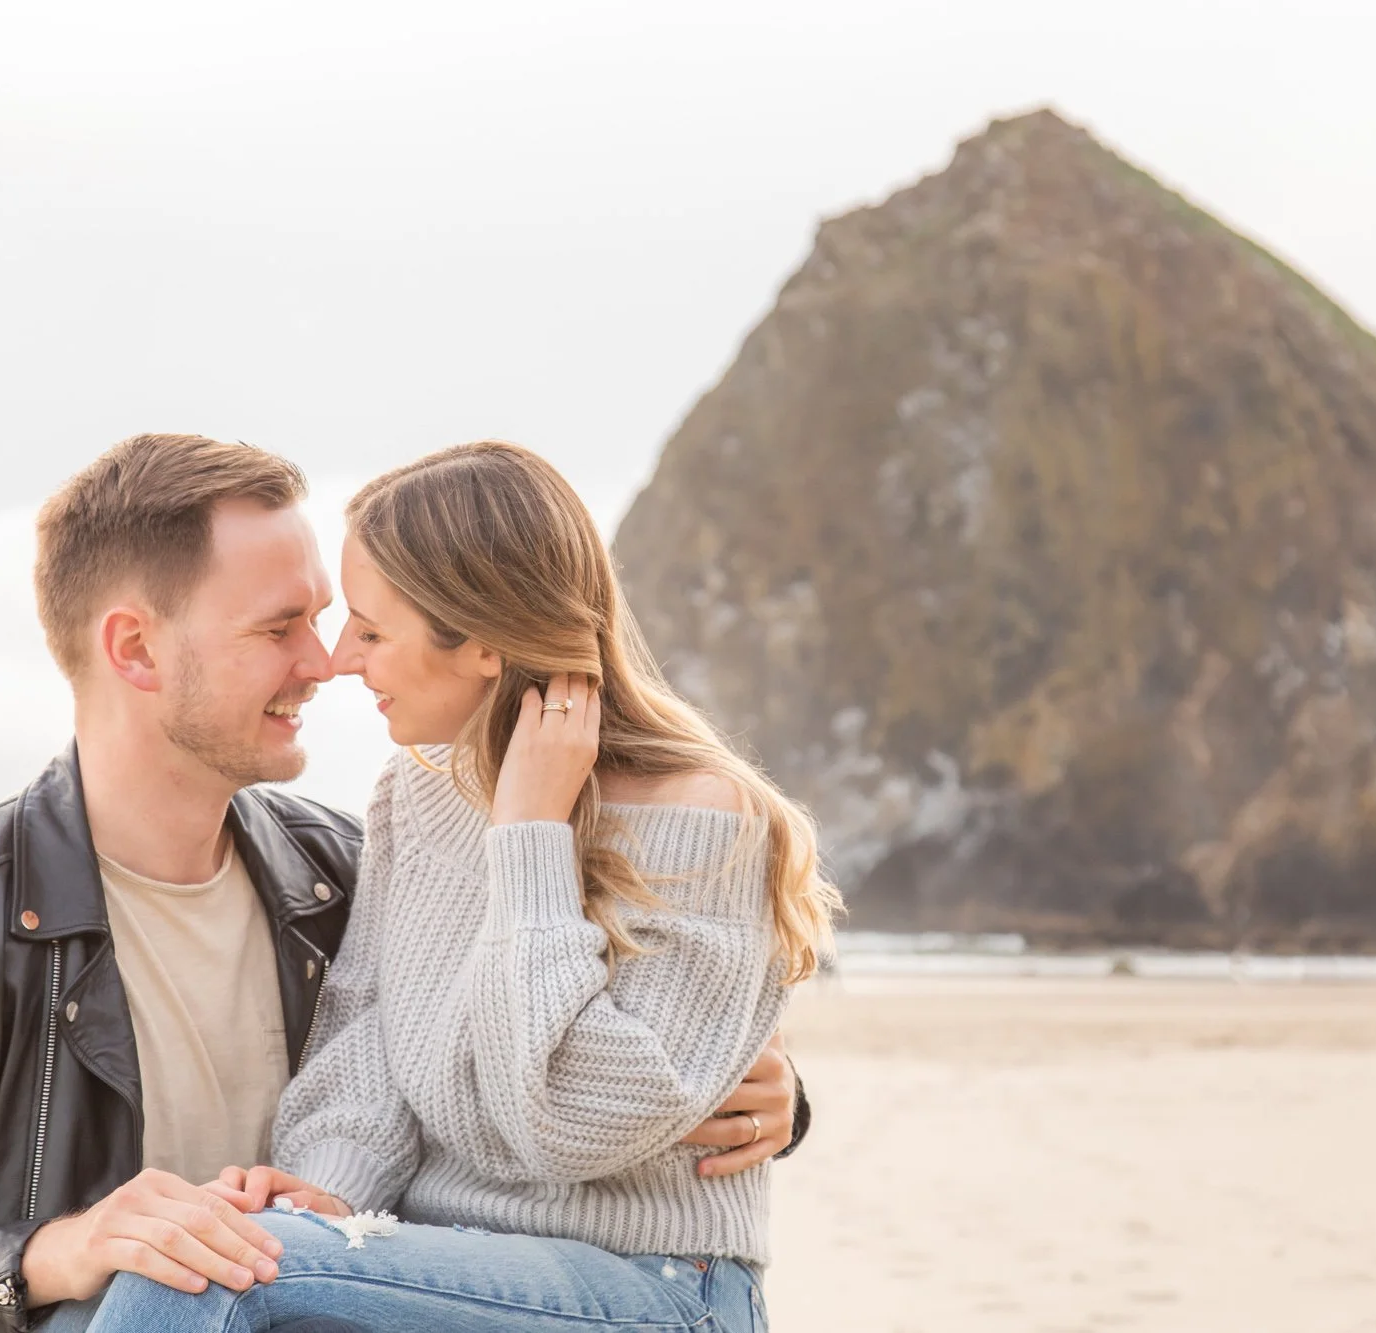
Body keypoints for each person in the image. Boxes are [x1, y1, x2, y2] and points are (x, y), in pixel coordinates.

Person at [0, 434, 807, 1333]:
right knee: (176, 1274)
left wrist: (757, 1083)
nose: (329, 663)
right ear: (135, 649)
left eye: (349, 623)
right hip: (212, 1296)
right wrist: (73, 1245)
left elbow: (586, 1073)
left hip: (571, 1283)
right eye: (283, 629)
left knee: (201, 1273)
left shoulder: (326, 870)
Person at [81, 441, 842, 1331]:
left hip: (653, 1284)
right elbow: (371, 1026)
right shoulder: (417, 789)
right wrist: (329, 1184)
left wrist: (529, 837)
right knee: (136, 1283)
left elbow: (569, 1122)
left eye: (371, 628)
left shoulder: (707, 816)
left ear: (481, 641)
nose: (339, 657)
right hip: (439, 1264)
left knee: (205, 1277)